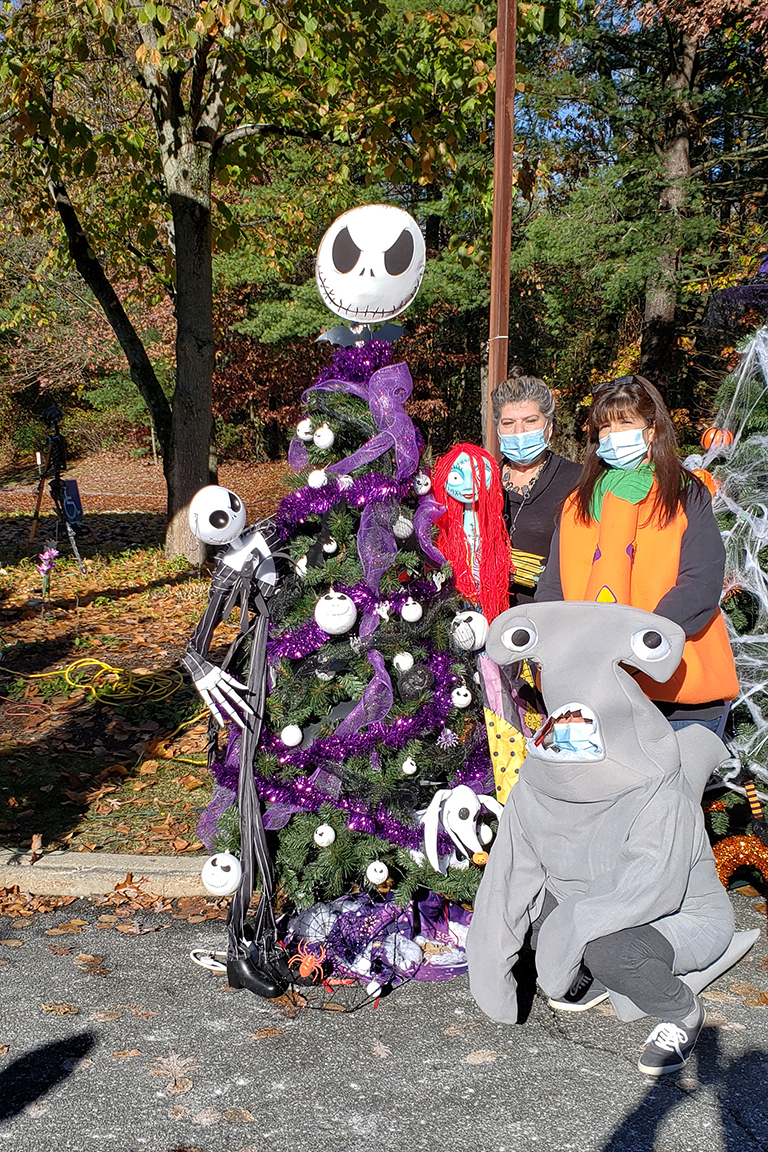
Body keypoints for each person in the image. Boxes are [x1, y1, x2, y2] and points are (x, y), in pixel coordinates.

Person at [536, 374, 738, 729]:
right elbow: (553, 589)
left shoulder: (684, 494)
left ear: (653, 429)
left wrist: (640, 645)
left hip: (676, 686)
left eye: (625, 423)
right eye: (605, 427)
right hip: (594, 690)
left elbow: (700, 582)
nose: (614, 436)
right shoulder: (576, 503)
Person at [492, 368, 580, 605]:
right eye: (508, 423)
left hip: (548, 618)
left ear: (549, 426)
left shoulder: (577, 480)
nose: (519, 431)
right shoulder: (480, 480)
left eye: (530, 421)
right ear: (498, 429)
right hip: (483, 621)